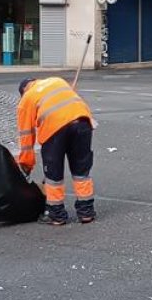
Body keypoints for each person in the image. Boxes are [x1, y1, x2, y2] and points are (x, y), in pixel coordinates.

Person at [17, 77, 97, 225]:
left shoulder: (26, 99)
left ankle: (56, 214)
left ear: (23, 91)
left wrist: (25, 164)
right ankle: (86, 212)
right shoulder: (57, 81)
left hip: (55, 129)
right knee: (81, 171)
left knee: (54, 175)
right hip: (82, 121)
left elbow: (26, 136)